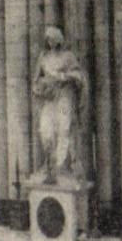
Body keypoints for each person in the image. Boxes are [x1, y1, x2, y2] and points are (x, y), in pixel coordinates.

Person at [31, 26, 87, 181]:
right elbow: (36, 81)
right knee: (45, 130)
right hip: (49, 97)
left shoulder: (68, 56)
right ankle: (50, 164)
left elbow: (79, 75)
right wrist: (40, 88)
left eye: (53, 38)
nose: (50, 42)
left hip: (64, 95)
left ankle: (62, 165)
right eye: (48, 39)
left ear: (59, 39)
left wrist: (63, 76)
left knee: (64, 128)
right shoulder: (43, 58)